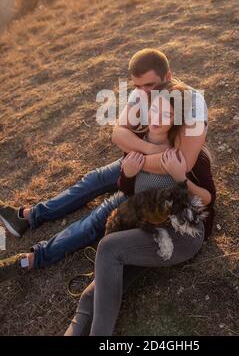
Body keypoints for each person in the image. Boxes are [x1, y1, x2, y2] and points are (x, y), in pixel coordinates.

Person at [0, 49, 208, 282]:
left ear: (168, 76)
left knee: (99, 217)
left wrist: (139, 158)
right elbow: (118, 134)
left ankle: (33, 258)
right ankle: (29, 216)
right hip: (138, 163)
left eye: (149, 85)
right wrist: (149, 151)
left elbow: (180, 163)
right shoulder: (142, 93)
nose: (142, 93)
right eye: (137, 86)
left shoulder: (192, 104)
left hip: (160, 185)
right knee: (94, 178)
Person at [65, 80, 216, 336]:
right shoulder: (138, 146)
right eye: (155, 111)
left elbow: (207, 200)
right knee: (92, 293)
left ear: (176, 121)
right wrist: (129, 174)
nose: (158, 118)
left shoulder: (186, 156)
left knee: (108, 248)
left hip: (181, 235)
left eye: (167, 115)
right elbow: (129, 193)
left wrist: (181, 178)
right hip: (147, 231)